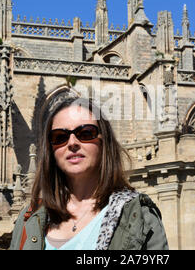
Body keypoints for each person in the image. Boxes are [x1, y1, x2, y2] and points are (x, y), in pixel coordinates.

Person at [9, 97, 169, 250]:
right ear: (51, 150)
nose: (72, 143)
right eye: (60, 137)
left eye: (85, 133)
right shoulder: (30, 217)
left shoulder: (138, 215)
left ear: (104, 142)